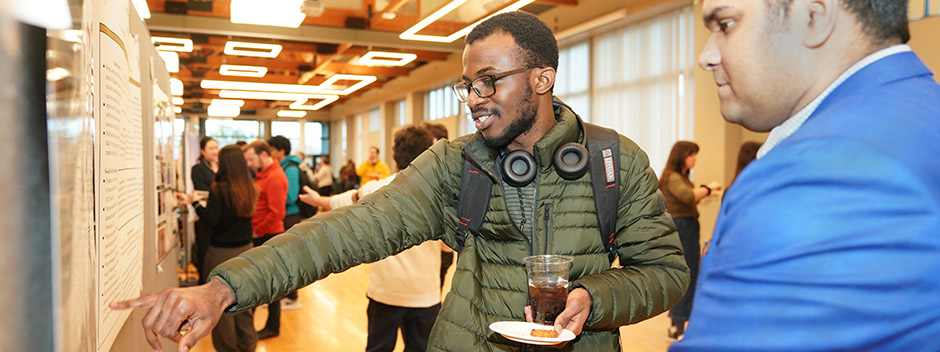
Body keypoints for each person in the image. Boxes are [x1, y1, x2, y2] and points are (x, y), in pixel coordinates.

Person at [112, 11, 688, 352]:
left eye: (490, 82)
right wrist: (224, 287)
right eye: (468, 86)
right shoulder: (452, 164)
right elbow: (348, 230)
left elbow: (665, 274)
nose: (474, 100)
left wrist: (595, 297)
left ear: (543, 77)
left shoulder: (617, 162)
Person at [671, 0, 940, 350]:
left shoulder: (816, 173)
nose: (705, 56)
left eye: (725, 25)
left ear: (814, 17)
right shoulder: (920, 108)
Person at [301, 125, 442, 352]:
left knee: (378, 347)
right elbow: (448, 247)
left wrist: (319, 200)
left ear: (395, 155)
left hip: (385, 291)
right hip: (425, 294)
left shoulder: (378, 188)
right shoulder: (440, 193)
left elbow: (349, 199)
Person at [177, 145, 259, 352]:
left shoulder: (219, 189)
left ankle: (228, 349)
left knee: (220, 308)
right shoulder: (251, 187)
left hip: (221, 254)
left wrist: (194, 204)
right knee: (245, 305)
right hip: (247, 252)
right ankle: (248, 347)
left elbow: (211, 220)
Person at [657, 141, 721, 340]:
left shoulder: (680, 177)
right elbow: (686, 196)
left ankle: (678, 323)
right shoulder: (673, 177)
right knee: (688, 272)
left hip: (685, 227)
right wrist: (708, 189)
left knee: (687, 271)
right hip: (682, 228)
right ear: (681, 156)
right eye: (692, 155)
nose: (695, 159)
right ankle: (679, 324)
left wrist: (703, 194)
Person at [259, 136, 304, 339]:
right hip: (284, 216)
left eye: (272, 149)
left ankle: (293, 296)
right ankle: (290, 295)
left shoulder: (290, 169)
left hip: (289, 216)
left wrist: (272, 195)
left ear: (279, 151)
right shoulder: (282, 167)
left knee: (287, 260)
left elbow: (290, 196)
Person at [421, 122, 457, 291]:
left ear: (434, 141)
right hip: (439, 249)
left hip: (442, 249)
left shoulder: (445, 170)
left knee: (433, 294)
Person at [191, 136, 219, 283]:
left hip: (220, 218)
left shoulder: (222, 168)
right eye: (211, 148)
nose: (215, 151)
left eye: (216, 147)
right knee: (205, 255)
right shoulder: (198, 169)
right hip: (205, 217)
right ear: (203, 151)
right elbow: (201, 192)